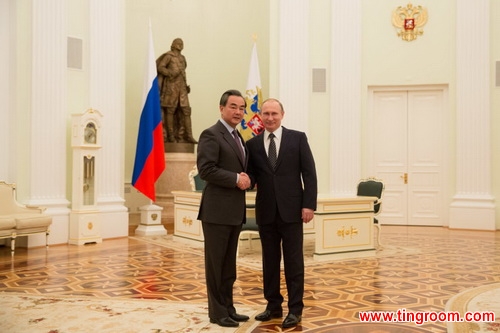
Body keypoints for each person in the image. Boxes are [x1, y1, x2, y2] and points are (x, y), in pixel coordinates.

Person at [246, 98, 317, 329]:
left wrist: (309, 205)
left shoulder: (298, 138)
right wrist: (244, 180)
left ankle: (295, 310)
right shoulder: (253, 144)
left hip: (293, 212)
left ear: (282, 115)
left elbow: (309, 173)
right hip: (266, 212)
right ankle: (273, 305)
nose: (269, 117)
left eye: (274, 113)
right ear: (260, 116)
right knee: (269, 261)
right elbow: (253, 175)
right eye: (265, 113)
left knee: (294, 262)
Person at [196, 89, 251, 328]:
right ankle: (217, 313)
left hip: (234, 212)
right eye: (233, 107)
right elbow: (206, 170)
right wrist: (236, 179)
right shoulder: (211, 134)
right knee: (216, 265)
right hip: (216, 212)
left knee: (228, 266)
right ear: (221, 108)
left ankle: (228, 307)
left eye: (241, 108)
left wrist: (247, 179)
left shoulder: (239, 138)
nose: (238, 112)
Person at [157, 38, 197, 143]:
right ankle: (170, 136)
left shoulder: (183, 58)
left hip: (182, 88)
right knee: (170, 110)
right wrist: (170, 73)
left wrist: (186, 85)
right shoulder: (168, 56)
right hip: (171, 87)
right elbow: (160, 67)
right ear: (173, 45)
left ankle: (188, 135)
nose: (180, 44)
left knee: (186, 111)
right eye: (178, 43)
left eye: (182, 43)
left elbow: (183, 73)